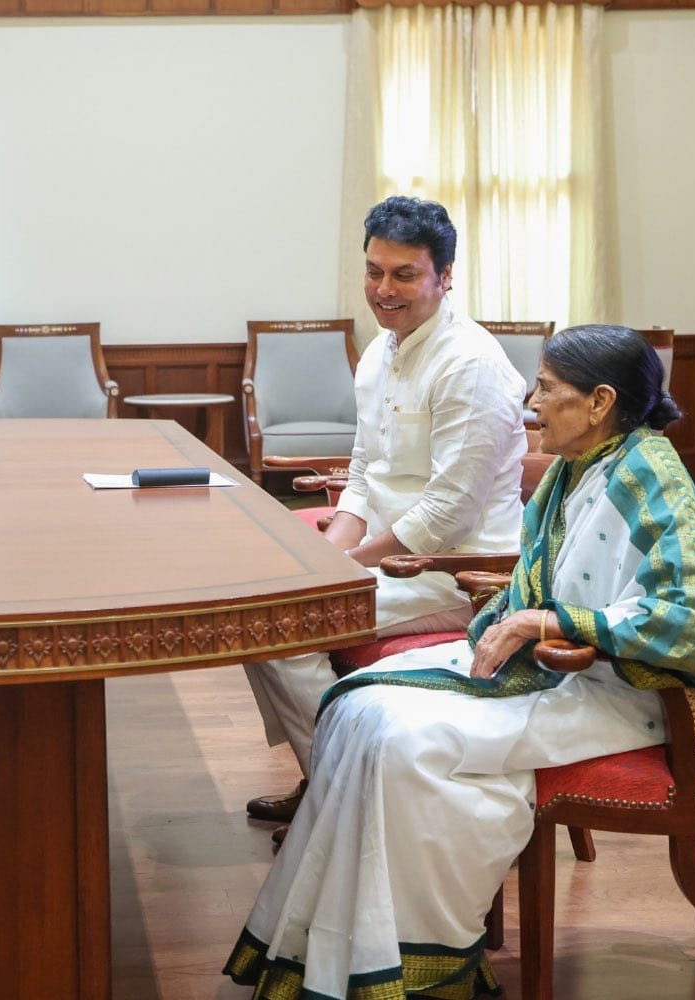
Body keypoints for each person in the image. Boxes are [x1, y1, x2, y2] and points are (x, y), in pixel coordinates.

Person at [224, 325, 695, 999]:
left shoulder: (651, 478)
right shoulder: (579, 465)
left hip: (622, 694)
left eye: (546, 387)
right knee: (356, 707)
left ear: (600, 401)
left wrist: (549, 621)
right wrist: (520, 620)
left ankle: (414, 971)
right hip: (562, 672)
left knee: (405, 742)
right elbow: (539, 582)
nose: (531, 402)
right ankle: (330, 952)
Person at [244, 196, 527, 823]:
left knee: (277, 629)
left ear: (444, 276)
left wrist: (347, 569)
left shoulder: (472, 365)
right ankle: (330, 784)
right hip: (389, 559)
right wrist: (327, 557)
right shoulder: (380, 351)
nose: (384, 289)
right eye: (374, 271)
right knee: (260, 602)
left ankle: (341, 802)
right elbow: (364, 475)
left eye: (404, 274)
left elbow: (446, 516)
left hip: (460, 572)